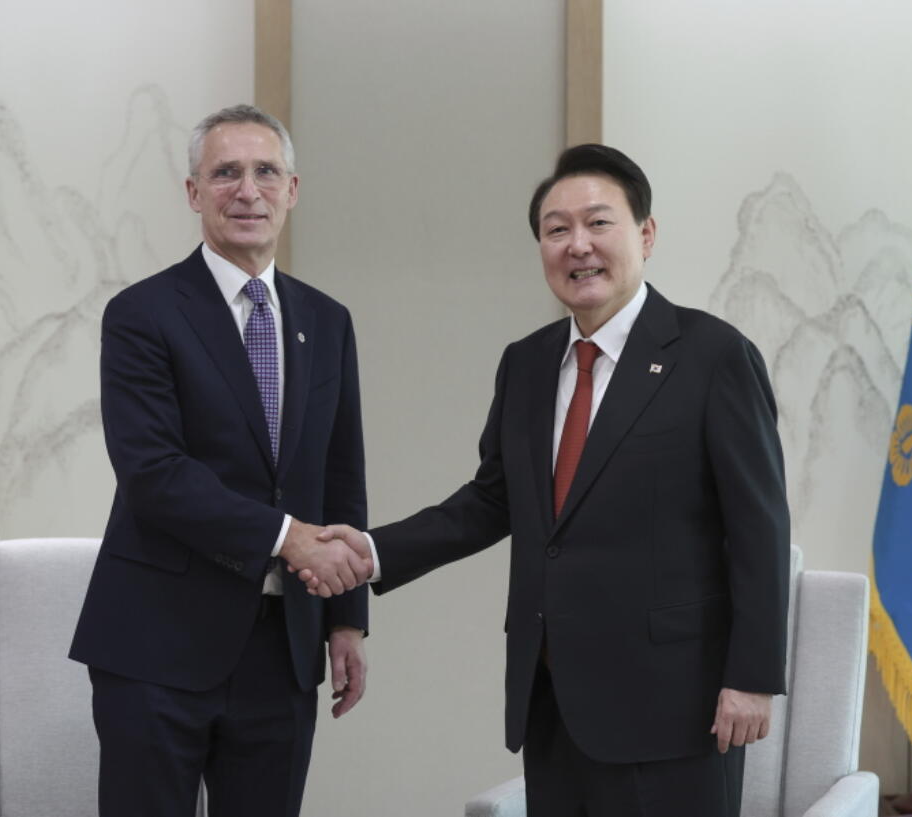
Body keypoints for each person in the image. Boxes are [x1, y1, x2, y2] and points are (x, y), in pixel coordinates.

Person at [310, 144, 790, 817]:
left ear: (646, 235)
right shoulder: (528, 363)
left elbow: (760, 528)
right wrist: (372, 551)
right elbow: (492, 499)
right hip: (552, 697)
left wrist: (753, 677)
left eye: (599, 223)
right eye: (556, 229)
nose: (577, 245)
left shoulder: (712, 356)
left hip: (675, 704)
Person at [70, 103, 372, 817]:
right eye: (226, 173)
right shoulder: (143, 314)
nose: (248, 190)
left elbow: (340, 477)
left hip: (283, 650)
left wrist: (346, 619)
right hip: (156, 646)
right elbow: (154, 473)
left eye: (266, 172)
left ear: (292, 190)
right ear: (193, 192)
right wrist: (285, 536)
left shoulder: (327, 321)